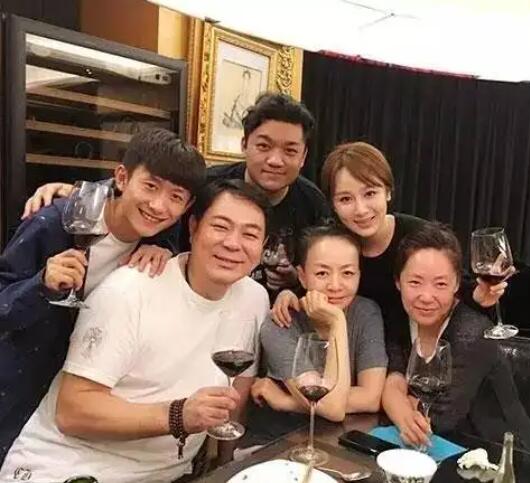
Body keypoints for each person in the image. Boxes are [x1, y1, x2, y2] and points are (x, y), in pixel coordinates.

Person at [0, 179, 271, 483]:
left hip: (166, 475)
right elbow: (72, 412)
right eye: (220, 227)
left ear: (263, 245)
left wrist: (226, 466)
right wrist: (178, 415)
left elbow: (237, 390)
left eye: (250, 234)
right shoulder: (129, 291)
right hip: (68, 467)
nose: (233, 243)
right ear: (193, 227)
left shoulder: (254, 299)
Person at [0, 128, 205, 463]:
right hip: (23, 377)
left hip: (83, 386)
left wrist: (164, 246)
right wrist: (41, 285)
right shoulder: (55, 222)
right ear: (122, 177)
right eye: (150, 186)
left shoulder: (165, 233)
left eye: (176, 196)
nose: (159, 205)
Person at [24, 93, 332, 297]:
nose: (275, 160)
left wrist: (296, 281)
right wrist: (83, 193)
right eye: (263, 146)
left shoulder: (313, 203)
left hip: (267, 315)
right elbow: (155, 186)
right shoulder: (210, 183)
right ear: (244, 144)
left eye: (290, 150)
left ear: (304, 156)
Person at [272, 141, 508, 332]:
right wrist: (291, 293)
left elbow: (455, 286)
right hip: (354, 351)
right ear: (332, 204)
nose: (361, 209)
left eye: (370, 193)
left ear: (388, 192)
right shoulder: (334, 244)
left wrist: (481, 296)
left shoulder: (419, 236)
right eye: (345, 199)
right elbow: (316, 281)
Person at [381, 222, 530, 453]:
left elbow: (441, 418)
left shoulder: (472, 332)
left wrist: (401, 402)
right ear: (398, 282)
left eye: (440, 284)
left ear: (457, 283)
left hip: (499, 453)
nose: (426, 296)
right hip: (436, 446)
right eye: (415, 282)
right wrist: (404, 411)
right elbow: (393, 378)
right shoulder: (400, 316)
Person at [251, 225, 387, 425]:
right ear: (302, 276)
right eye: (322, 273)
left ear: (359, 275)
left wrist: (287, 401)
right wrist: (337, 321)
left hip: (346, 434)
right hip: (285, 433)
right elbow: (332, 407)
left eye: (348, 273)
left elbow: (371, 399)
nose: (335, 285)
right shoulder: (281, 323)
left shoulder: (366, 312)